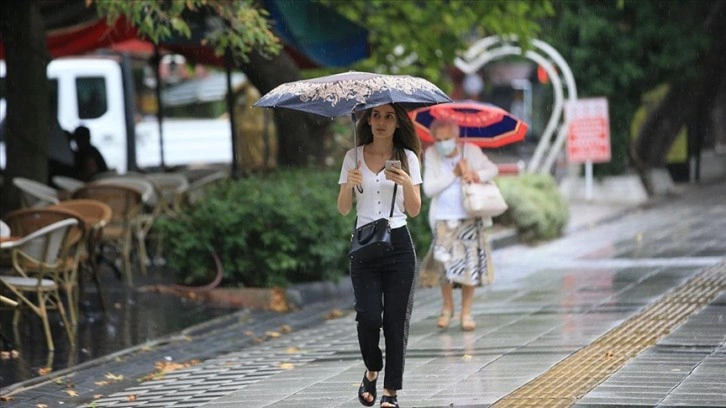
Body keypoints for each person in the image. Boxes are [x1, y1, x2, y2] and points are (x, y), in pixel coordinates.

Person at [337, 103, 422, 408]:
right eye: (376, 116)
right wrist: (350, 183)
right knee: (369, 318)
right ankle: (372, 368)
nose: (382, 122)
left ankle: (391, 393)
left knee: (396, 322)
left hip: (398, 244)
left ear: (398, 123)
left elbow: (414, 210)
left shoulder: (407, 158)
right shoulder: (353, 157)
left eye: (389, 116)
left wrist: (407, 182)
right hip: (364, 246)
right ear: (368, 120)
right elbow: (344, 208)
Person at [421, 118, 499, 331]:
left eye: (447, 138)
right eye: (438, 139)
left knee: (470, 266)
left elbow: (492, 169)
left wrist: (475, 174)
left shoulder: (471, 151)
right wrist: (453, 174)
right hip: (443, 219)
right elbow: (428, 189)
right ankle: (447, 308)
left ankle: (466, 312)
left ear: (456, 137)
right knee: (444, 267)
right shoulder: (431, 155)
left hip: (470, 216)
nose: (442, 143)